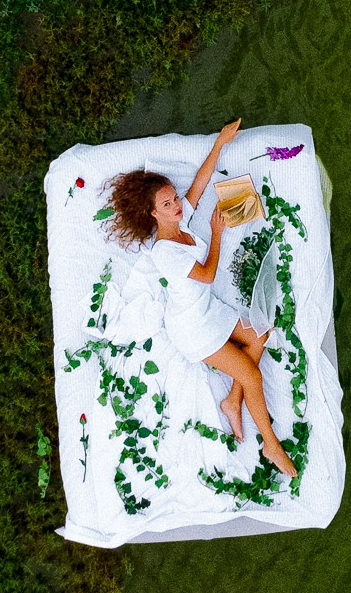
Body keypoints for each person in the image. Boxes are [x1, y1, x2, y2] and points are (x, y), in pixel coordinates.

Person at [104, 121, 298, 480]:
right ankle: (270, 444)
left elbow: (201, 181)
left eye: (175, 199)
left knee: (260, 334)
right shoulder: (165, 252)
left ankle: (232, 400)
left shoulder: (183, 222)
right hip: (192, 329)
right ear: (153, 214)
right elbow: (207, 274)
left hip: (208, 311)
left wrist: (220, 143)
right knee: (253, 376)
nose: (177, 205)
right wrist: (216, 231)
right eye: (168, 203)